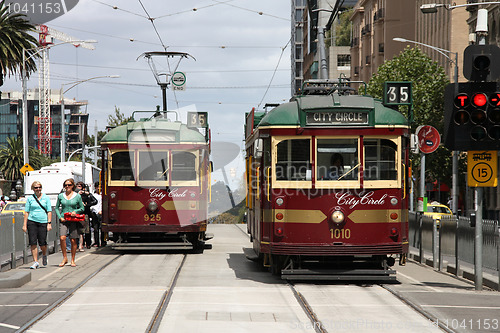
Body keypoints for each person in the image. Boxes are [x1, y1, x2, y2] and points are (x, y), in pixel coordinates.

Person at [22, 181, 52, 269]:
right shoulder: (30, 198)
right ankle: (35, 261)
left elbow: (49, 211)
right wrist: (24, 224)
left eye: (39, 187)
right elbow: (26, 212)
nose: (38, 189)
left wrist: (49, 223)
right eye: (36, 188)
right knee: (33, 242)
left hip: (43, 221)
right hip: (32, 221)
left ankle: (44, 254)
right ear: (33, 189)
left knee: (42, 243)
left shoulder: (46, 198)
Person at [55, 178, 84, 267]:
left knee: (73, 239)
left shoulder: (77, 196)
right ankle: (65, 258)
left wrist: (76, 211)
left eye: (69, 185)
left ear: (72, 186)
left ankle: (72, 259)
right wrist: (60, 217)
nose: (67, 187)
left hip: (73, 220)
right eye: (66, 185)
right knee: (62, 238)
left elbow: (82, 208)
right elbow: (56, 208)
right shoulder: (60, 196)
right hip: (64, 219)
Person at [75, 181, 97, 250]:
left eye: (80, 186)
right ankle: (79, 244)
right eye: (77, 186)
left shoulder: (86, 195)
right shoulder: (75, 195)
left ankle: (88, 243)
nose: (78, 188)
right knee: (78, 230)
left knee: (87, 230)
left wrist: (86, 205)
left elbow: (95, 201)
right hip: (76, 213)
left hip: (85, 213)